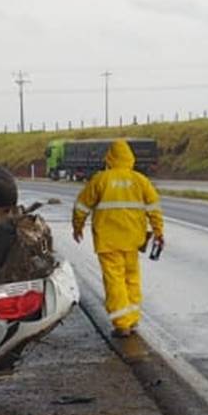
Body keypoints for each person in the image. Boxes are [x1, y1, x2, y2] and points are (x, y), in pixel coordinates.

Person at [71, 138, 165, 337]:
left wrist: (77, 227)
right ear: (130, 157)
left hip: (108, 241)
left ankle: (122, 323)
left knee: (115, 281)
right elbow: (154, 209)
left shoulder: (100, 179)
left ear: (110, 157)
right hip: (134, 240)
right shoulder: (140, 180)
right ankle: (132, 319)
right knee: (132, 279)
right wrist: (158, 232)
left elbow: (81, 206)